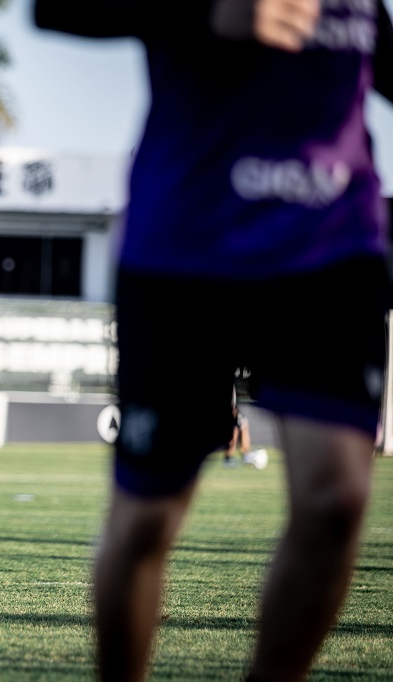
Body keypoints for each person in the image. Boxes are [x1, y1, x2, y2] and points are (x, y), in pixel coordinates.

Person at [34, 1, 392, 680]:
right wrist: (209, 13)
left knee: (337, 501)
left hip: (331, 247)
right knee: (146, 523)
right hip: (186, 253)